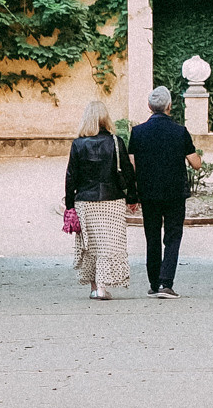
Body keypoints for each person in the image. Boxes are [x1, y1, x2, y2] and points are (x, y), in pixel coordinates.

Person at [127, 84, 202, 298]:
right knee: (172, 236)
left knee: (151, 236)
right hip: (174, 193)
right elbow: (195, 163)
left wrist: (133, 193)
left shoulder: (138, 132)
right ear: (169, 106)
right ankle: (166, 283)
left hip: (148, 192)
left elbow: (132, 164)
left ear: (149, 106)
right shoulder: (180, 131)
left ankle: (153, 283)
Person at [64, 99, 136, 300]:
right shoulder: (116, 142)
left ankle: (95, 288)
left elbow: (71, 176)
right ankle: (103, 287)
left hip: (85, 201)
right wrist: (132, 196)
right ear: (106, 118)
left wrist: (70, 206)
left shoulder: (78, 144)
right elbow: (128, 173)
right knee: (109, 245)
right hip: (112, 200)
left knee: (91, 246)